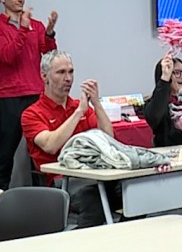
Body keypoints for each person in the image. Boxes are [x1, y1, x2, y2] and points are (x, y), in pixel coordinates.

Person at [22, 50, 118, 227]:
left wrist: (96, 104)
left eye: (71, 72)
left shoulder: (79, 105)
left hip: (93, 174)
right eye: (61, 72)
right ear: (45, 77)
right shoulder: (32, 114)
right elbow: (50, 145)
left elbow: (109, 137)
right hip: (61, 181)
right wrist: (78, 112)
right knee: (93, 200)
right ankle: (82, 247)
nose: (68, 78)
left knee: (132, 191)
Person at [0, 0, 59, 190]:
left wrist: (48, 33)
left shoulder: (36, 25)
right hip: (10, 97)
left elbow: (49, 55)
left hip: (37, 95)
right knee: (4, 154)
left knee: (41, 153)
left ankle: (46, 202)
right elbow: (7, 57)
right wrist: (22, 30)